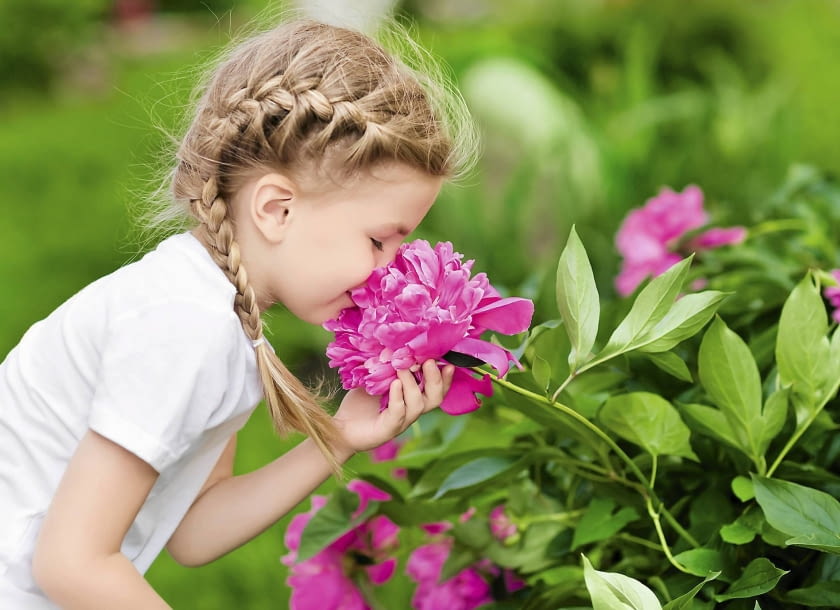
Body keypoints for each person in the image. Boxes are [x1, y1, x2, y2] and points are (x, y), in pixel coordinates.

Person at [0, 17, 476, 608]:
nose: (388, 271)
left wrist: (343, 436)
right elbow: (72, 564)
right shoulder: (185, 325)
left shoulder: (223, 320)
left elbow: (192, 529)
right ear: (276, 209)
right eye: (379, 241)